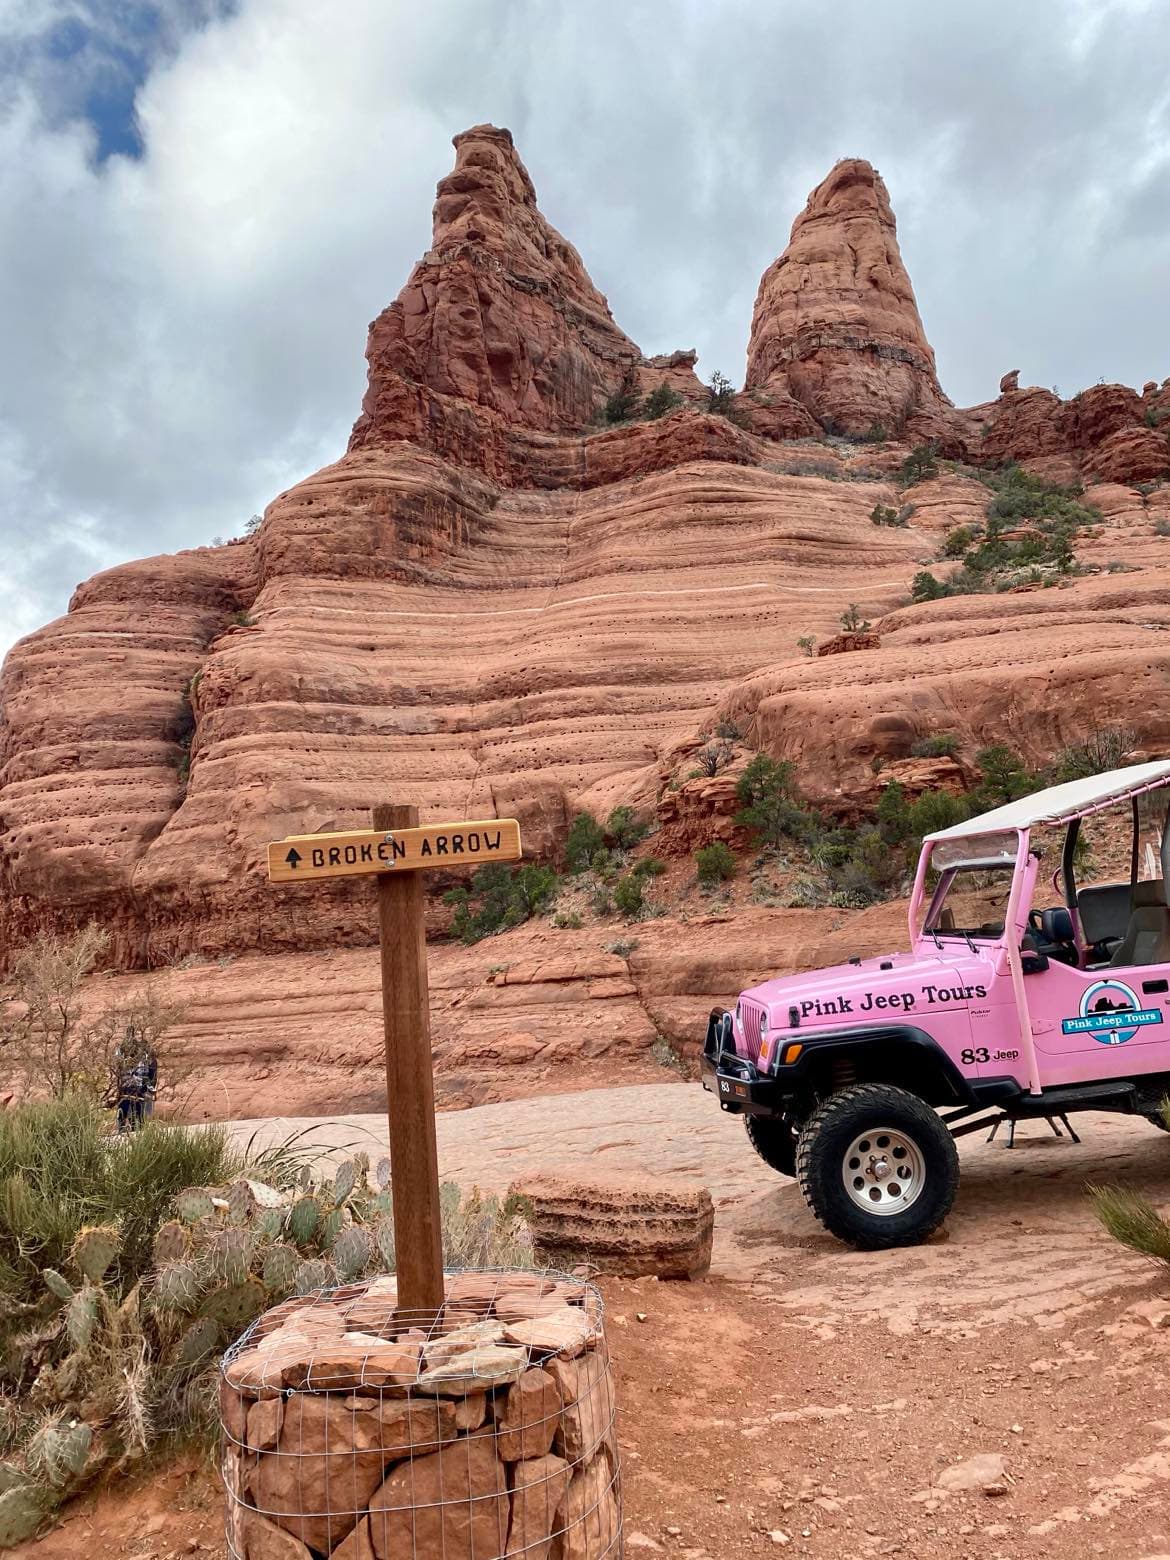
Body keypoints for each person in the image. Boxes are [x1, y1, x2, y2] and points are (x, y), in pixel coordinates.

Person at [113, 1027, 157, 1132]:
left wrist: (148, 1086)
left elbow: (150, 1070)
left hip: (137, 1086)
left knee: (136, 1112)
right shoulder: (121, 1051)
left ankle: (135, 1131)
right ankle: (124, 1131)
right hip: (127, 1086)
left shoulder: (144, 1052)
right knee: (125, 1111)